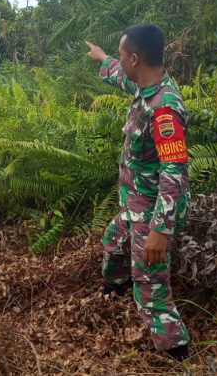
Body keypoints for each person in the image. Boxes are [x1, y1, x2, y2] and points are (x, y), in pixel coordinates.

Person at [85, 24, 191, 361]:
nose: (118, 59)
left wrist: (161, 229)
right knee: (113, 242)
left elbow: (175, 171)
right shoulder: (145, 85)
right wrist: (102, 58)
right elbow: (120, 76)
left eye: (119, 53)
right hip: (132, 205)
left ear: (135, 57)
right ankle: (114, 290)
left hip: (151, 211)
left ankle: (176, 349)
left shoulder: (164, 109)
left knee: (151, 288)